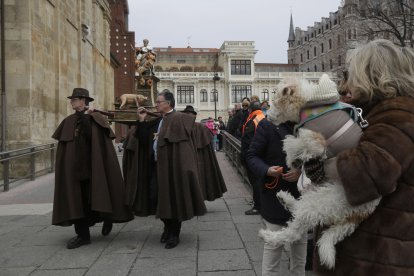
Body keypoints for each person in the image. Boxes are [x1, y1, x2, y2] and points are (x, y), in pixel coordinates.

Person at [307, 39, 414, 275]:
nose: (347, 81)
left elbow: (367, 173)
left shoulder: (399, 114)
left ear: (372, 74)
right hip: (367, 253)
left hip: (374, 258)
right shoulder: (372, 112)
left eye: (352, 72)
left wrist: (323, 165)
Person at [123, 92, 226, 249]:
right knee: (155, 196)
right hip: (157, 167)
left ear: (168, 103)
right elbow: (144, 140)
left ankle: (174, 233)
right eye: (157, 102)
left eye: (159, 102)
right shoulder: (158, 121)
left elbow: (184, 148)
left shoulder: (179, 119)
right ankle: (167, 226)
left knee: (174, 199)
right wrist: (142, 120)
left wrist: (186, 168)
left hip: (173, 168)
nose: (156, 104)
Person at [52, 88, 133, 249]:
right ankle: (83, 236)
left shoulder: (95, 118)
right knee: (78, 202)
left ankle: (107, 218)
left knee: (99, 195)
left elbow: (95, 139)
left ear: (83, 100)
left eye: (74, 99)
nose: (71, 102)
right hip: (75, 171)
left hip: (94, 169)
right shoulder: (68, 121)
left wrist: (87, 118)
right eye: (72, 99)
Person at [246, 101, 306, 275]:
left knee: (300, 253)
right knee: (273, 248)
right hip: (275, 195)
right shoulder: (267, 124)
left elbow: (316, 158)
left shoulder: (307, 126)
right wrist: (267, 170)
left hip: (301, 198)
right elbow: (252, 156)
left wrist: (302, 172)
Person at [240, 101, 266, 215]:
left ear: (250, 110)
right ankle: (263, 204)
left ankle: (258, 206)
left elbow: (247, 140)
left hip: (253, 155)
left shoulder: (253, 120)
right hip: (263, 154)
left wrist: (244, 157)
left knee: (255, 181)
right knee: (261, 180)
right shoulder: (264, 117)